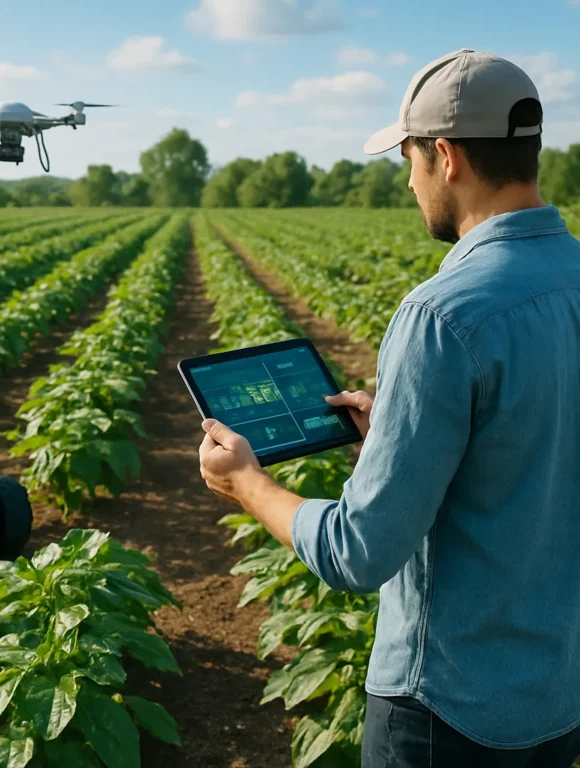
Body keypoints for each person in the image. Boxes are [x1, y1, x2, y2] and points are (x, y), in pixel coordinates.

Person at [198, 49, 580, 767]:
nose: (408, 181)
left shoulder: (443, 315)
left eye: (408, 157)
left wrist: (245, 482)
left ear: (446, 156)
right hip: (557, 700)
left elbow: (358, 551)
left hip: (448, 710)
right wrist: (404, 439)